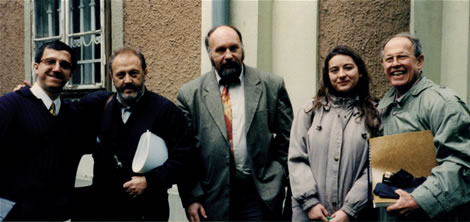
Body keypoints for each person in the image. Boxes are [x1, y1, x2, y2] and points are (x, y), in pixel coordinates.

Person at [176, 25, 293, 221]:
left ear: (242, 49)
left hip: (259, 193)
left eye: (234, 48)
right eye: (220, 50)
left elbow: (288, 138)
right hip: (211, 196)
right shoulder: (189, 95)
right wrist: (191, 197)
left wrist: (278, 174)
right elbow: (185, 153)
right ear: (209, 54)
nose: (228, 55)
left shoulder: (271, 85)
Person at [86, 48, 196, 221]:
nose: (128, 81)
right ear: (111, 77)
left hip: (149, 211)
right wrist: (30, 95)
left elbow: (184, 158)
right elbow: (63, 114)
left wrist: (150, 181)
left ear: (145, 72)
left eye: (134, 73)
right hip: (105, 210)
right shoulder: (98, 106)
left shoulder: (166, 111)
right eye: (120, 75)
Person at [378, 33, 470, 220]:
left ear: (419, 61)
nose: (395, 64)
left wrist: (421, 199)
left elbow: (462, 162)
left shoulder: (443, 103)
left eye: (402, 57)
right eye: (389, 59)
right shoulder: (382, 108)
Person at [288, 46, 381, 222]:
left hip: (357, 214)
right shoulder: (310, 111)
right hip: (311, 214)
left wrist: (349, 209)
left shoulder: (375, 115)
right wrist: (310, 203)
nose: (341, 74)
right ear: (327, 76)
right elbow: (296, 159)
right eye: (334, 70)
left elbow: (374, 168)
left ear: (360, 72)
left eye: (348, 67)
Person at [0, 40, 91, 220]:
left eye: (64, 65)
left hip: (58, 215)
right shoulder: (9, 106)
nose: (57, 69)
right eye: (50, 61)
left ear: (70, 74)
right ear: (36, 67)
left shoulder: (73, 115)